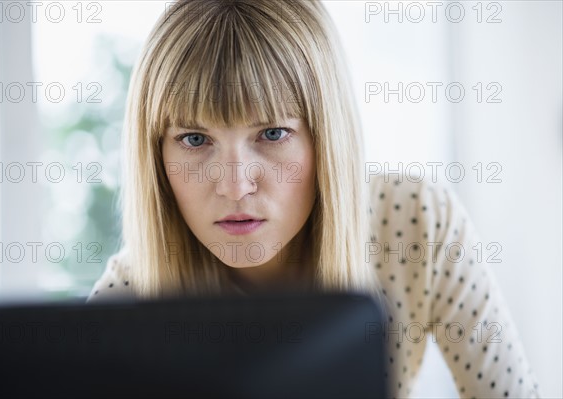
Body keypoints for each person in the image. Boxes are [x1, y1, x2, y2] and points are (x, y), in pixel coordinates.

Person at [86, 1, 541, 397]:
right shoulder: (126, 299)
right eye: (193, 139)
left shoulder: (416, 221)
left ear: (327, 138)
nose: (235, 184)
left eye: (272, 133)